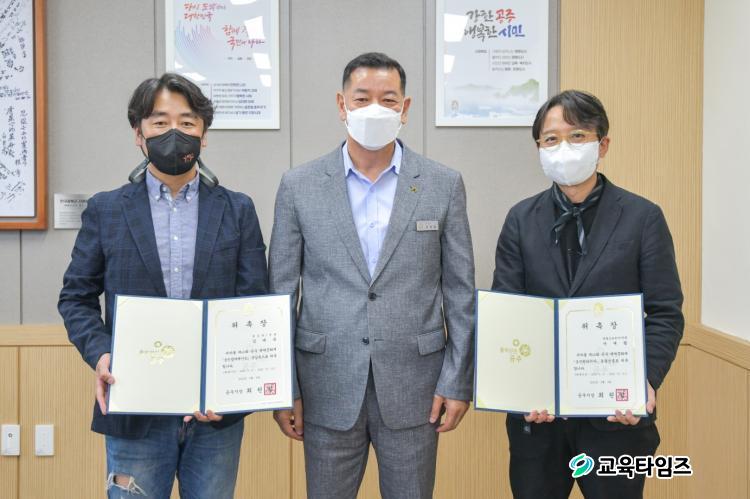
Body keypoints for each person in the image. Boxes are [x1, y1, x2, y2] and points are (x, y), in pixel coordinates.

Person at [268, 52, 475, 499]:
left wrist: (457, 381)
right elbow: (280, 294)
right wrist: (284, 387)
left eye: (388, 99)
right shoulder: (299, 186)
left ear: (406, 107)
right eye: (362, 99)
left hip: (416, 387)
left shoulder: (442, 184)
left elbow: (460, 293)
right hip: (325, 384)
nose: (375, 109)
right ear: (341, 105)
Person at [58, 73, 268, 498]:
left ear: (204, 135)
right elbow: (76, 297)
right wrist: (101, 353)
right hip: (135, 407)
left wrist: (233, 387)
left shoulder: (237, 210)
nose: (175, 132)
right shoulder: (106, 210)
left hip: (214, 414)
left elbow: (253, 302)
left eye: (187, 122)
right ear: (139, 134)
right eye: (160, 122)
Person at [492, 89, 684, 498]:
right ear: (539, 148)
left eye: (577, 136)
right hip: (538, 423)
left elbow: (665, 311)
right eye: (551, 139)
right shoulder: (520, 219)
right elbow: (507, 311)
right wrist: (521, 387)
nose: (564, 147)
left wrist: (644, 381)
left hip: (615, 419)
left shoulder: (643, 217)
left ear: (603, 144)